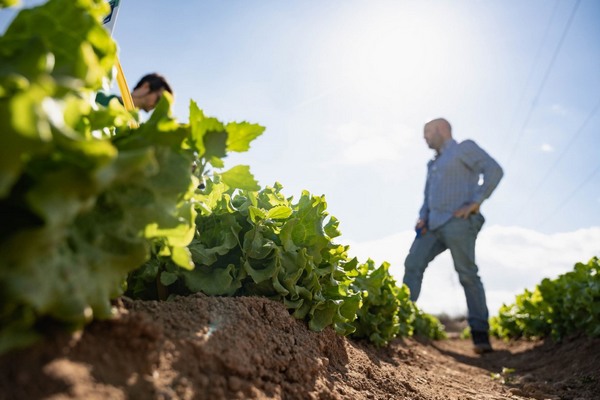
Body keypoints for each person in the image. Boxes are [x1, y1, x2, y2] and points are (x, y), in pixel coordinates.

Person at [403, 118, 503, 354]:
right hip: (432, 225)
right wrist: (422, 217)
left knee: (467, 274)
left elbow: (494, 170)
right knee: (413, 264)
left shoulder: (463, 149)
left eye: (427, 132)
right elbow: (427, 197)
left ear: (442, 129)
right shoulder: (432, 164)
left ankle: (480, 335)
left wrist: (475, 202)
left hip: (458, 222)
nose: (424, 137)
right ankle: (401, 322)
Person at [95, 72, 173, 112]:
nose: (158, 106)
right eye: (159, 99)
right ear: (145, 87)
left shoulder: (136, 129)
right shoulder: (97, 97)